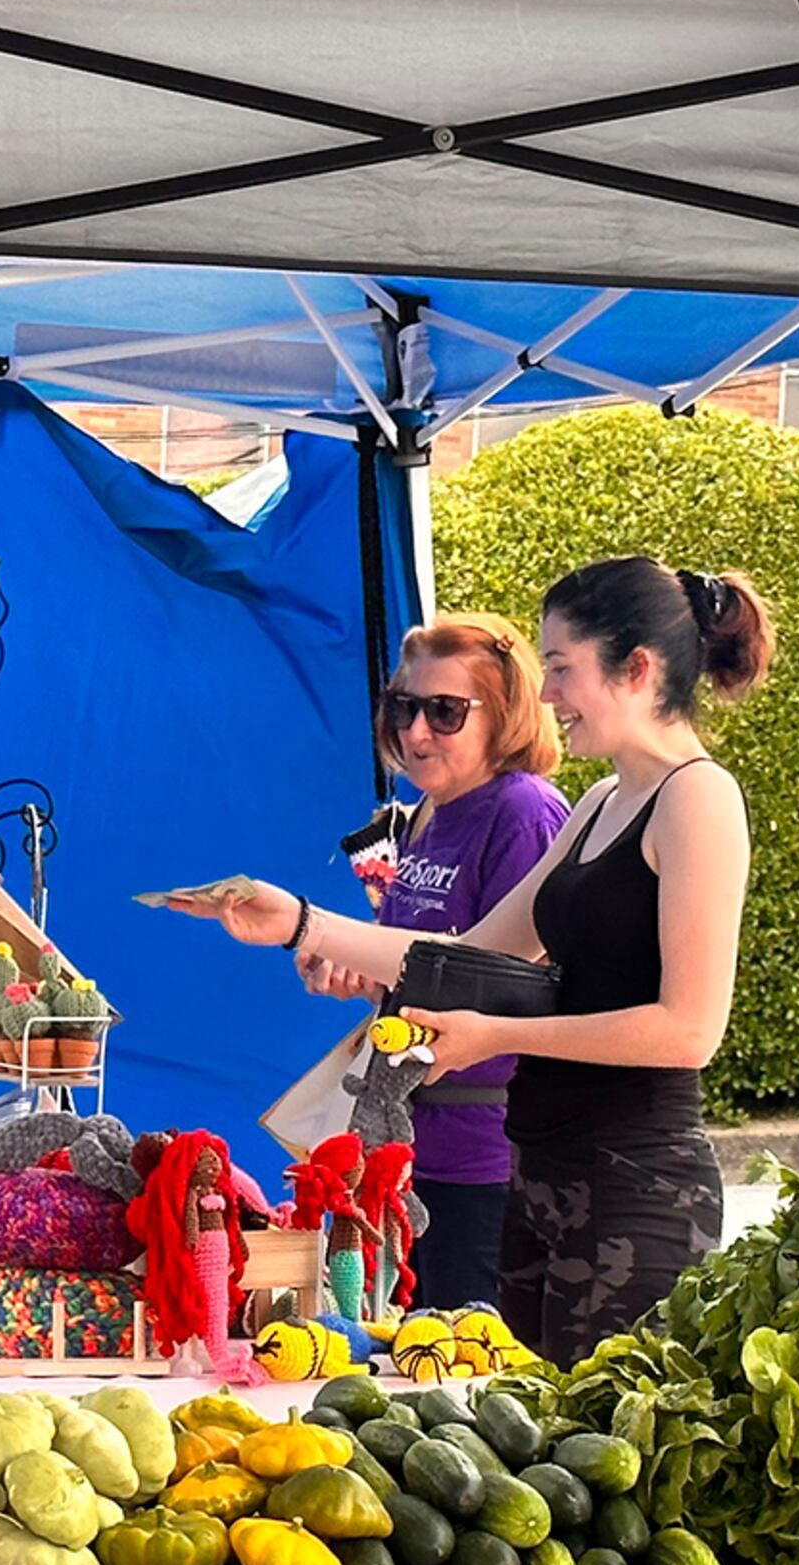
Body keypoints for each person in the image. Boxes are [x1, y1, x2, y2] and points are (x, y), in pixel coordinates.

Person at [186, 557, 769, 1365]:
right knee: (517, 1428)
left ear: (636, 668)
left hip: (637, 1189)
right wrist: (302, 924)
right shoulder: (601, 803)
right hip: (540, 1175)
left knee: (592, 1433)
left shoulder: (699, 798)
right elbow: (471, 952)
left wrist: (496, 1036)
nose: (549, 695)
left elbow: (688, 1032)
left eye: (562, 668)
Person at [325, 619, 568, 1308]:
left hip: (486, 1160)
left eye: (445, 711)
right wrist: (349, 970)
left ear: (507, 713)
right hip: (405, 1148)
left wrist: (307, 926)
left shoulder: (524, 812)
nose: (416, 732)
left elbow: (512, 979)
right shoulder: (430, 812)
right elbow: (415, 967)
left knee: (467, 1360)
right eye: (403, 707)